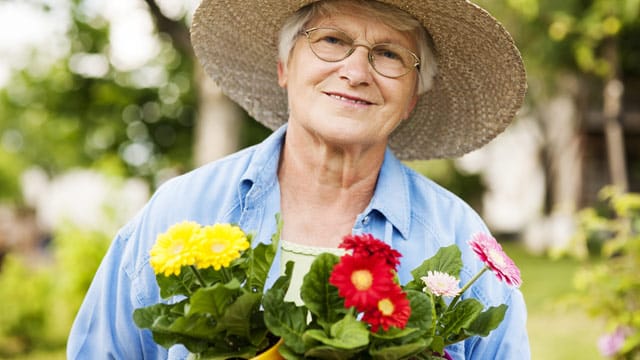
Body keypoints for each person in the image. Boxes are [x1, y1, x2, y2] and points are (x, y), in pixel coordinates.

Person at [67, 0, 530, 358]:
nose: (355, 71)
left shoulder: (461, 243)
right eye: (331, 41)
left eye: (389, 54)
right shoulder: (181, 211)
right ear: (284, 66)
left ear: (411, 98)